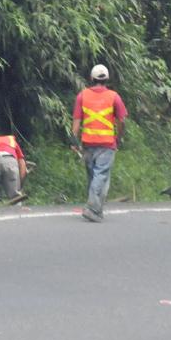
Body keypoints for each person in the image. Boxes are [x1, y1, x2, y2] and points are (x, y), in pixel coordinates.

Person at [71, 64, 127, 222]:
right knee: (100, 175)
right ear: (107, 79)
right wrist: (119, 136)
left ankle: (96, 209)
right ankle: (92, 208)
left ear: (91, 78)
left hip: (87, 143)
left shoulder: (82, 96)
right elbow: (122, 120)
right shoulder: (114, 96)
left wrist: (74, 140)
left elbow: (76, 121)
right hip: (106, 143)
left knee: (94, 177)